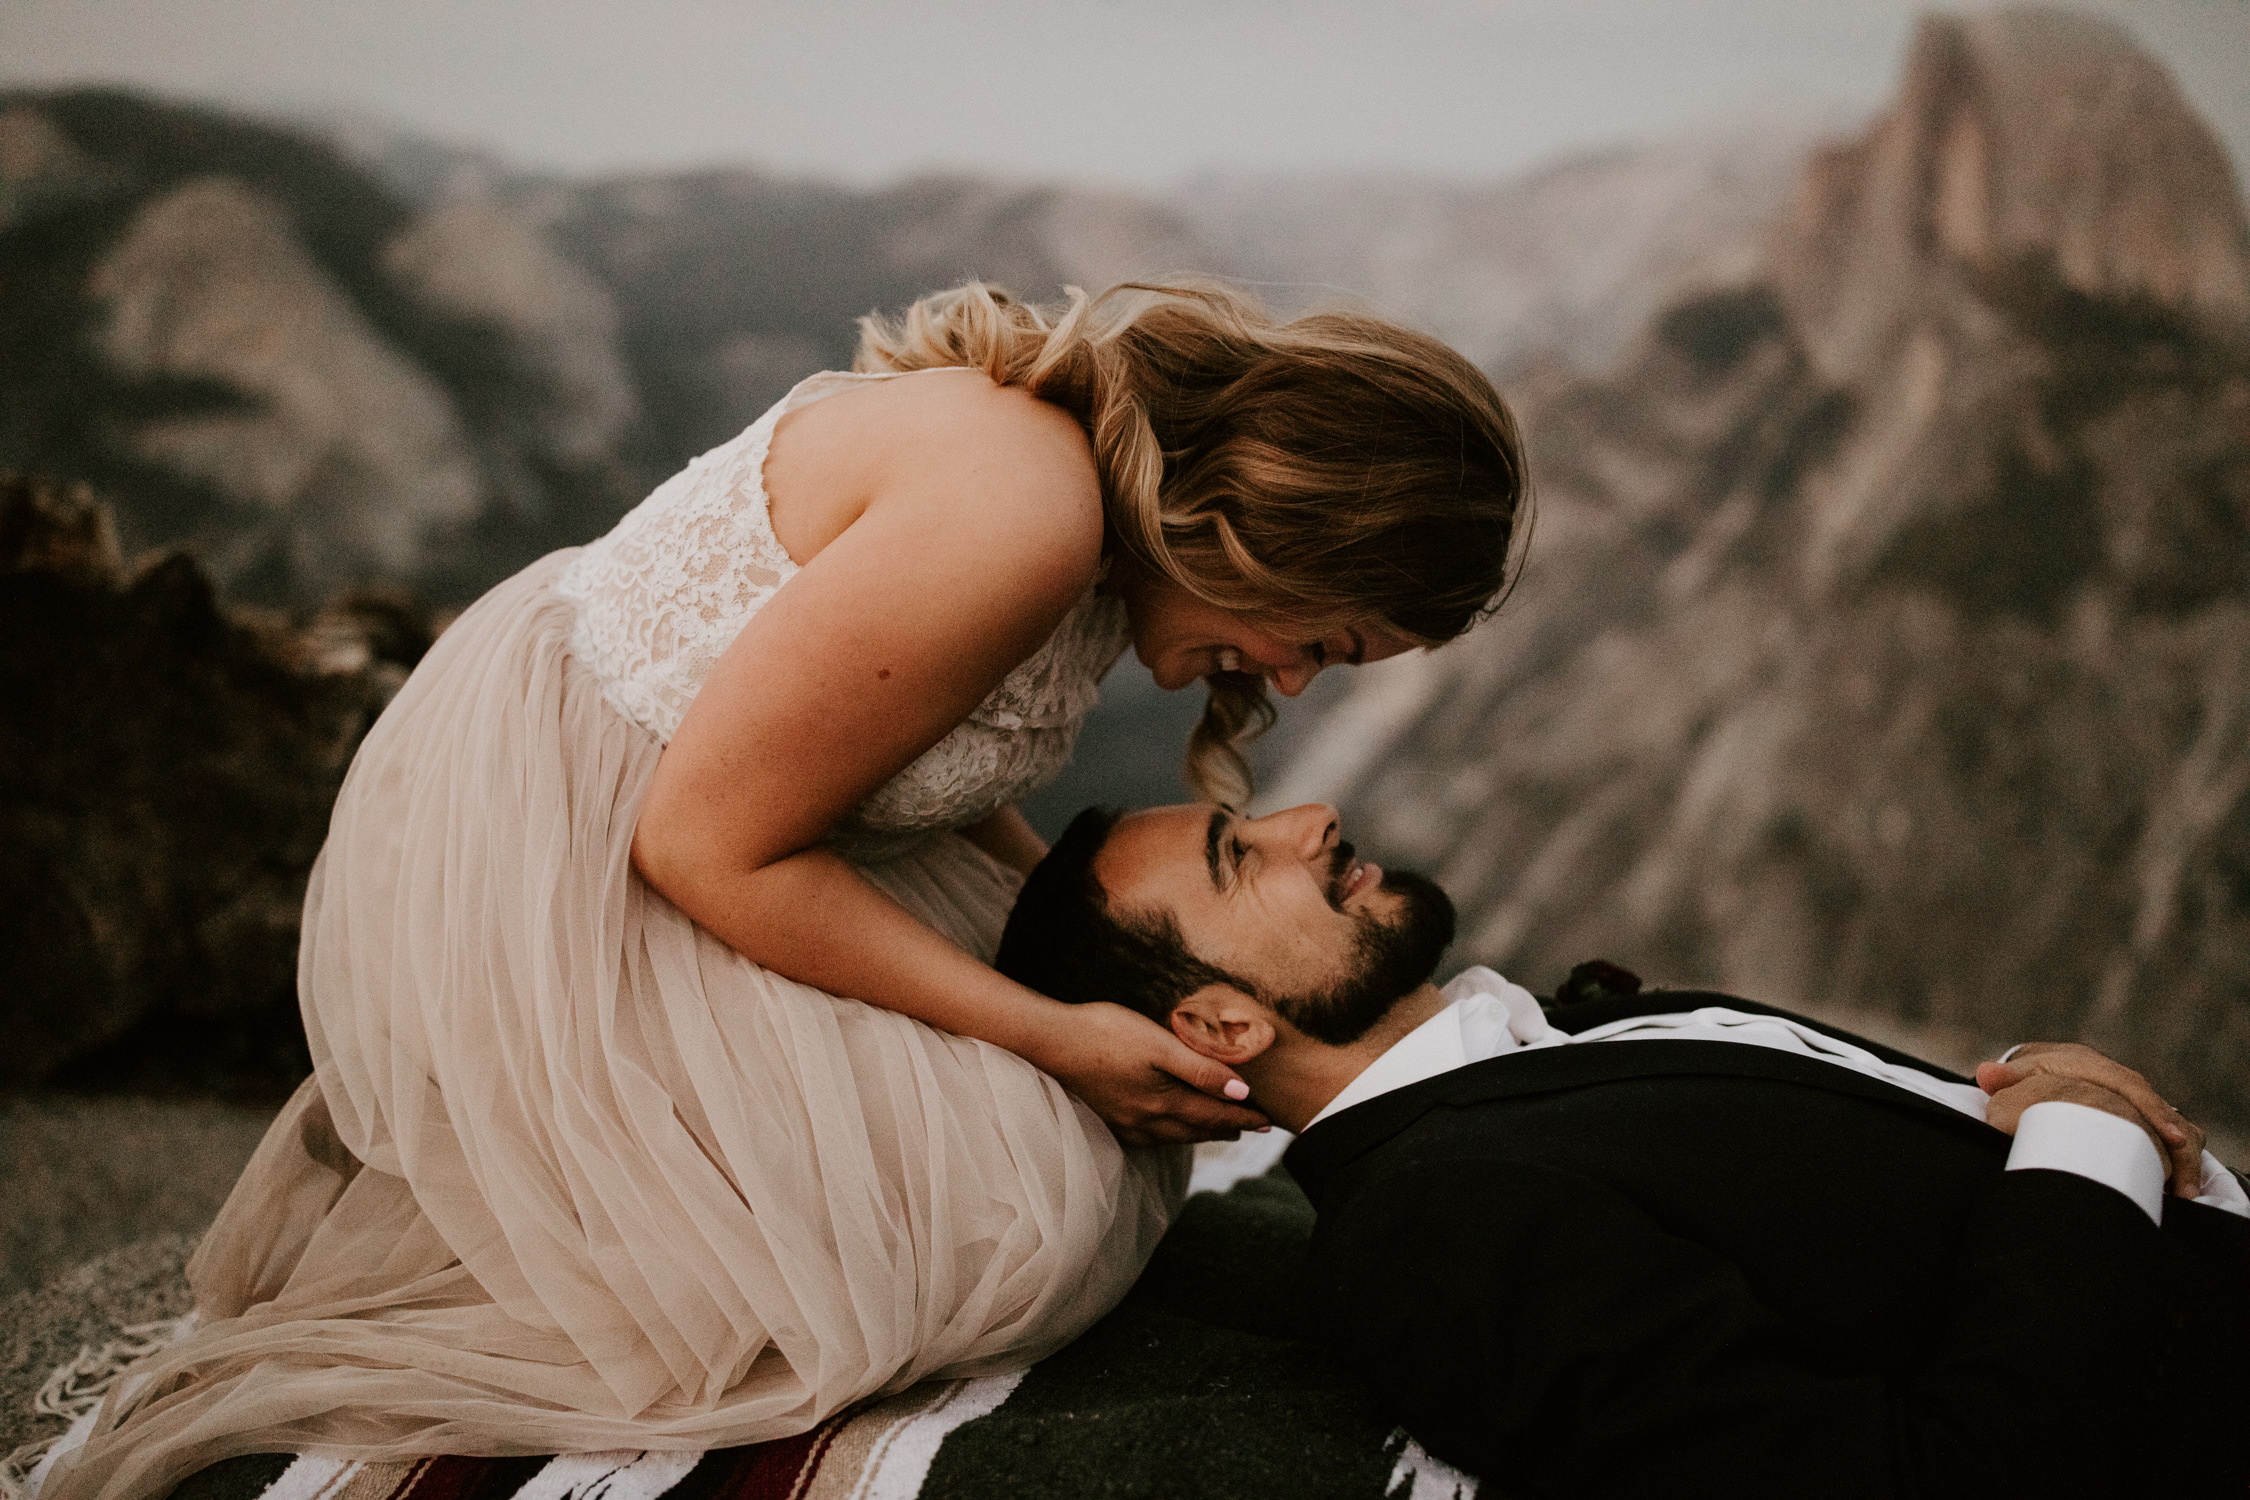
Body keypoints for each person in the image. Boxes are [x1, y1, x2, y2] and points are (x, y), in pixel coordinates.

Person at [38, 283, 1529, 1500]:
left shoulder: (1083, 505)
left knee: (1065, 1137)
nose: (1281, 685)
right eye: (1320, 644)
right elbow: (702, 851)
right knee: (1017, 1214)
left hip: (744, 812)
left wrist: (1071, 960)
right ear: (1277, 528)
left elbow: (910, 741)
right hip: (600, 843)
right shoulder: (1023, 514)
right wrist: (1046, 1029)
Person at [993, 801, 2250, 1500]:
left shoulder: (1574, 1023)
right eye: (1237, 857)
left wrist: (2039, 1085)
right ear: (1221, 1023)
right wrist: (2089, 1140)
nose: (1307, 817)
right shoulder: (1431, 1238)